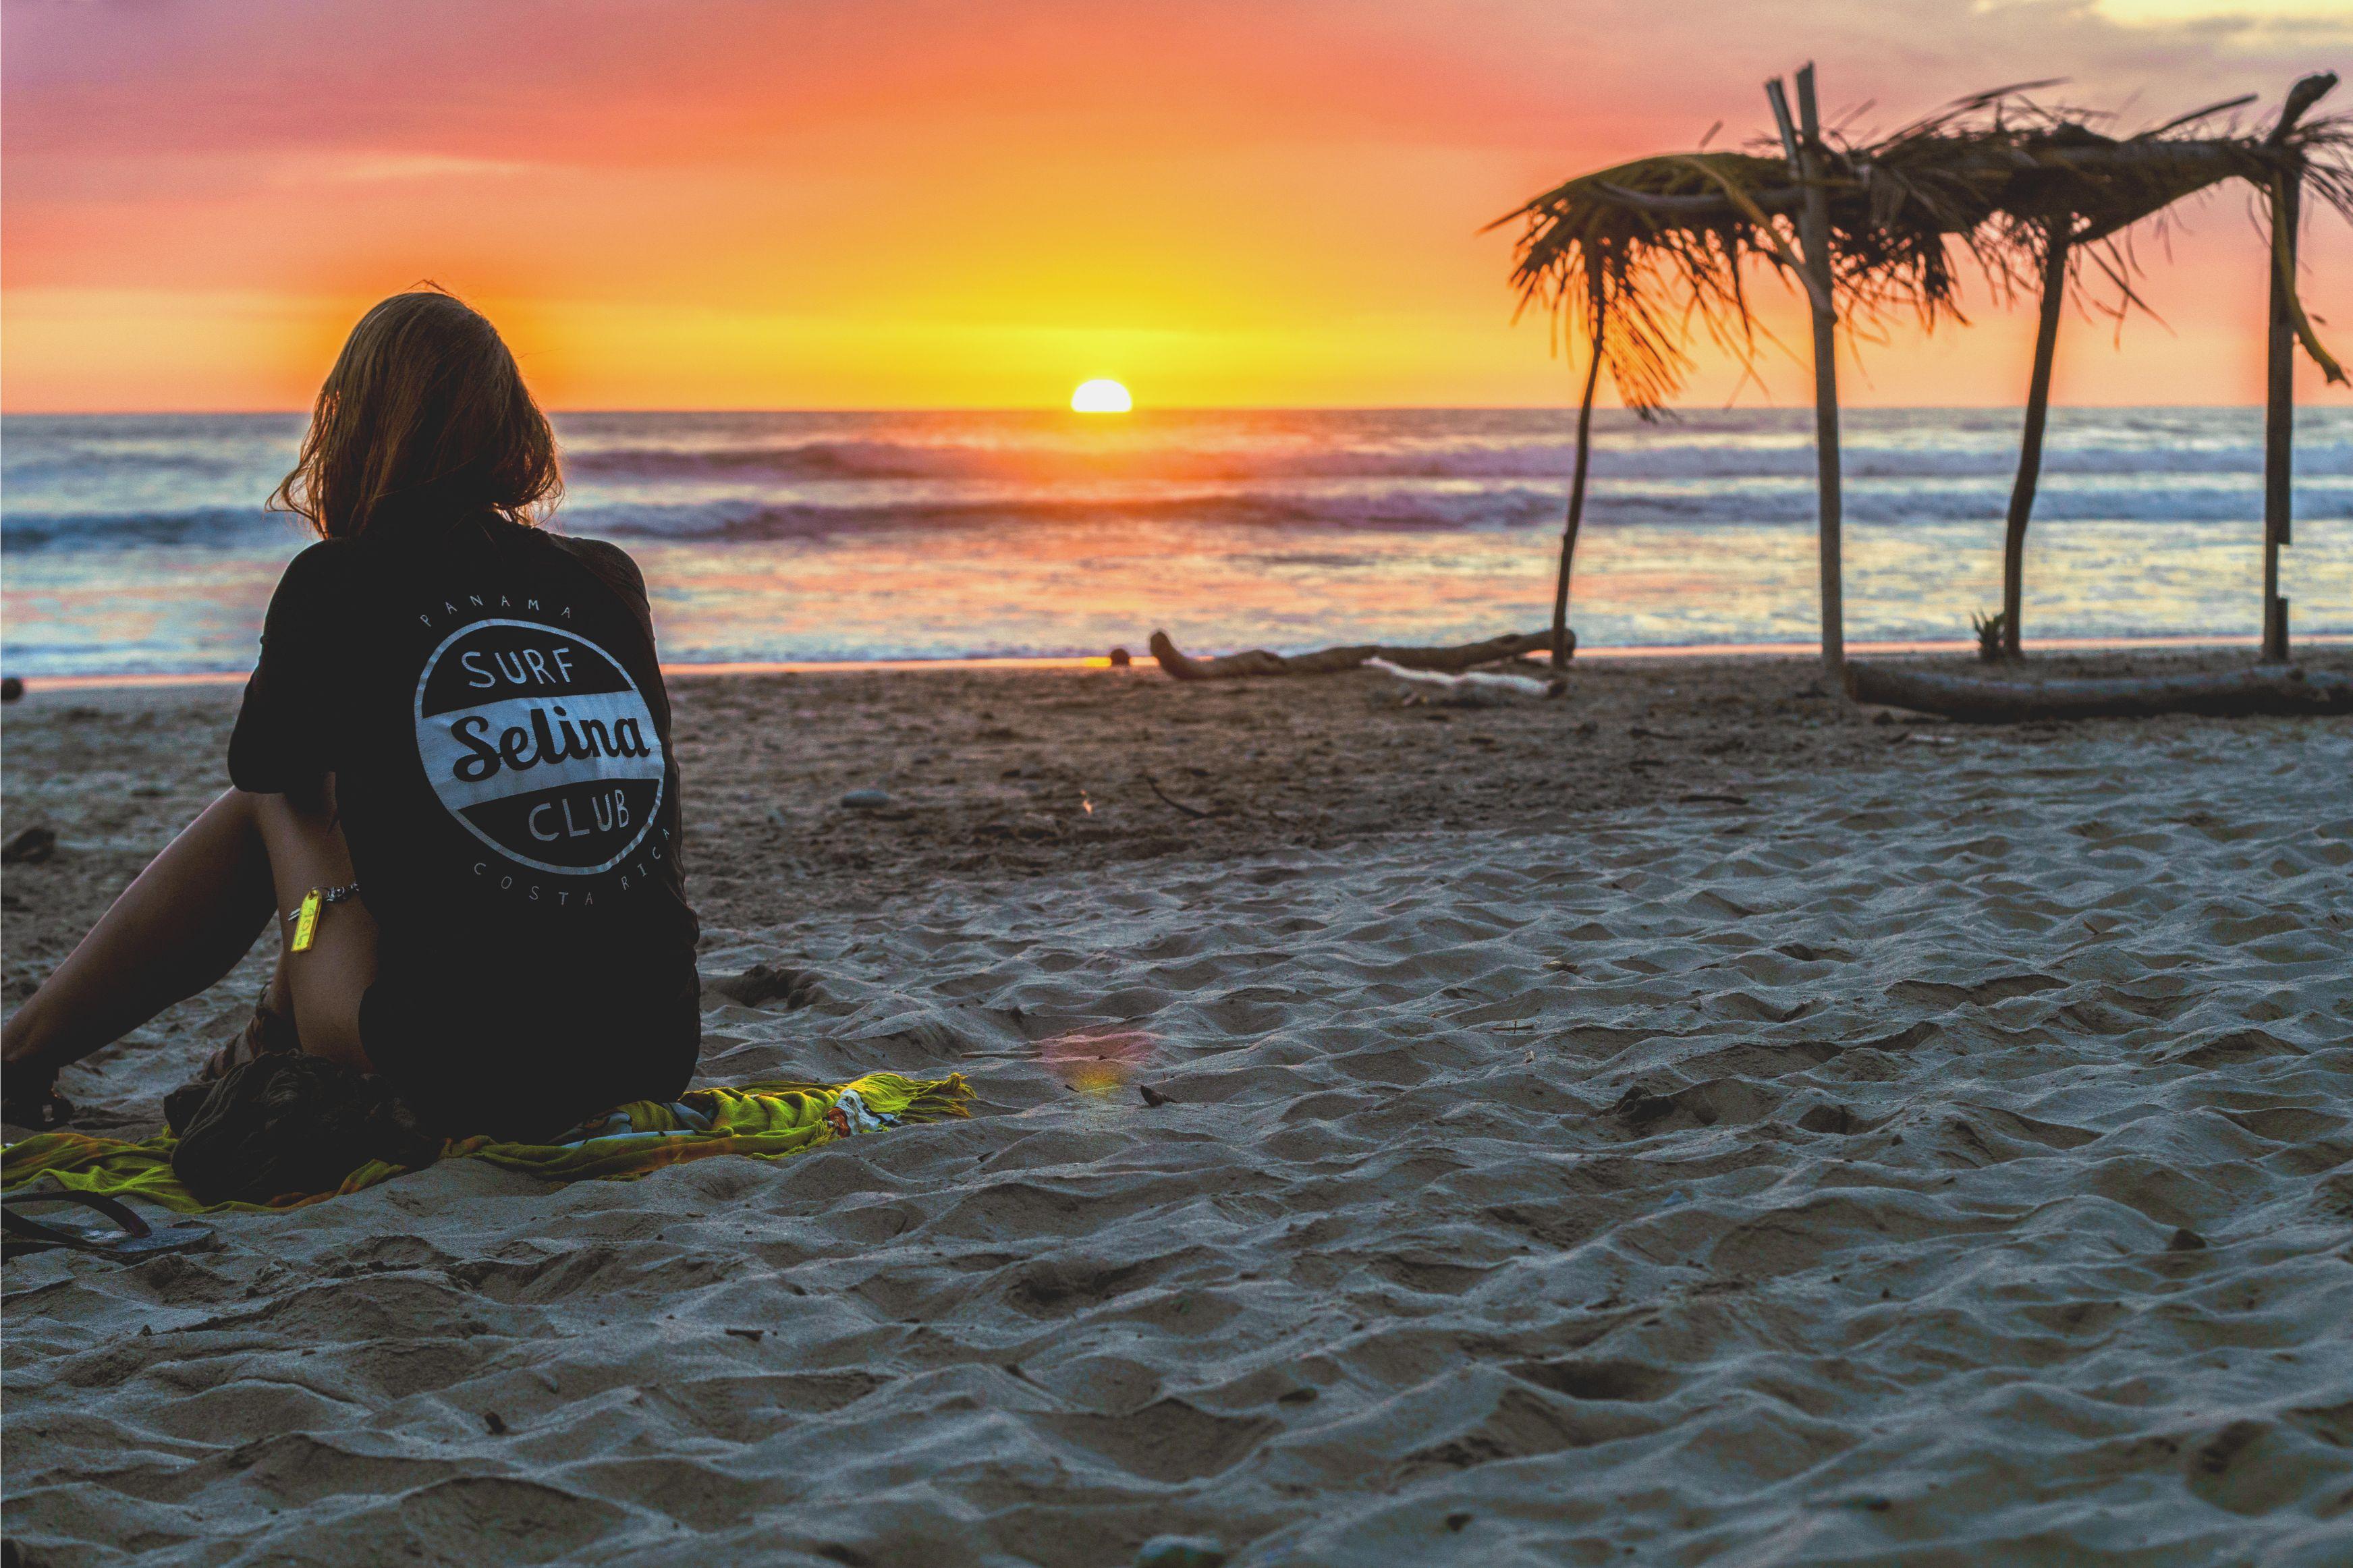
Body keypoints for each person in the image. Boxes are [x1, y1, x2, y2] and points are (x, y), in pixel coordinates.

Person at [1, 289, 700, 1142]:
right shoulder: (607, 577)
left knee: (276, 797)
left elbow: (263, 769)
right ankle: (259, 1039)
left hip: (454, 1066)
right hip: (655, 1046)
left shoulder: (339, 581)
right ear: (512, 423)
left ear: (357, 424)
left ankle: (23, 1051)